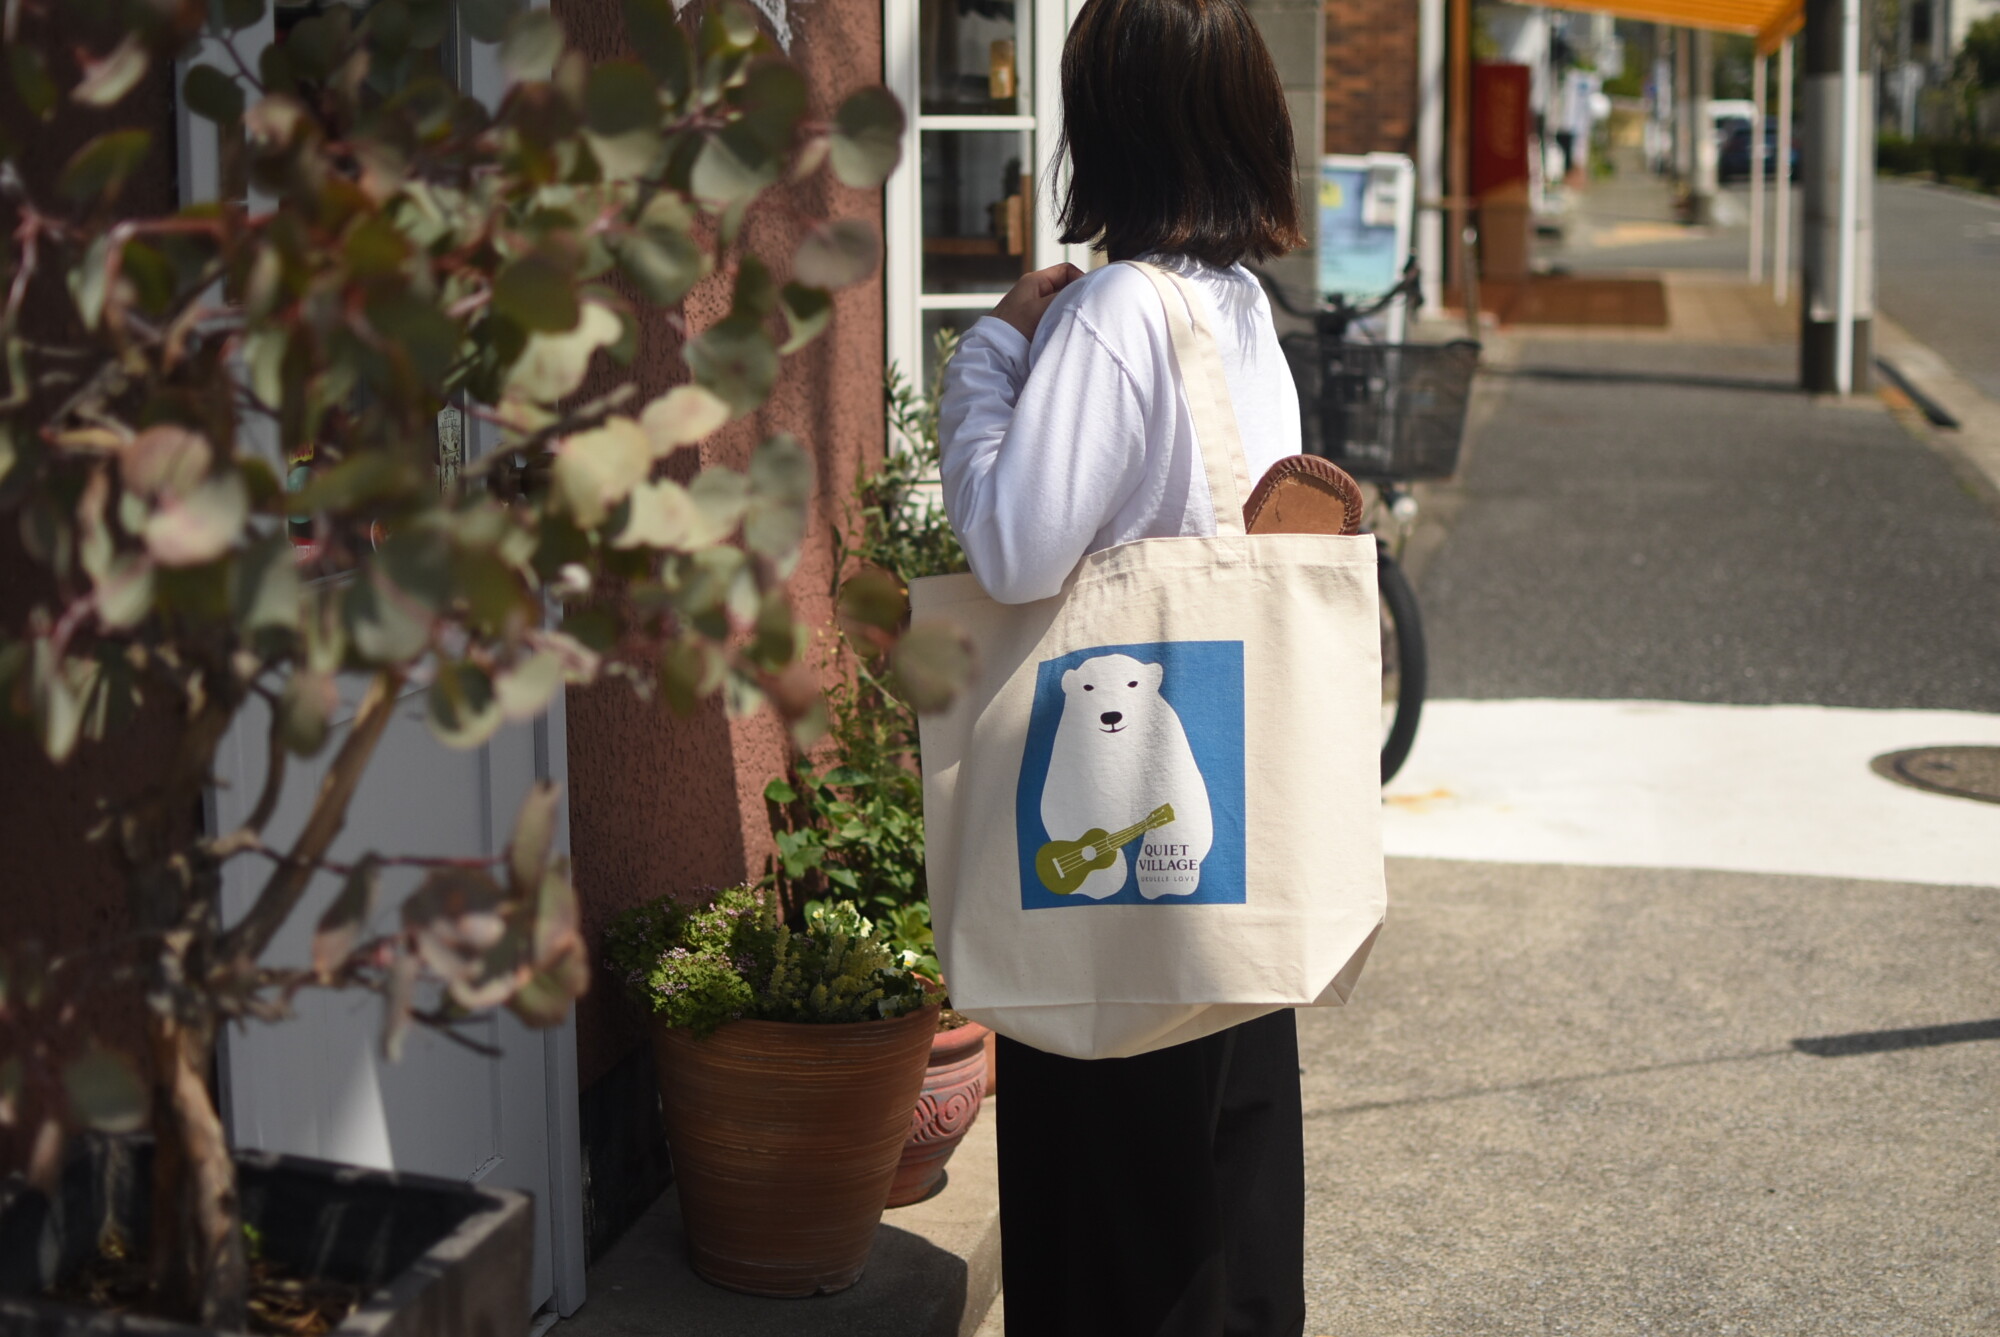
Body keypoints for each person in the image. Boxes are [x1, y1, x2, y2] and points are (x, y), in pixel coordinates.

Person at [934, 0, 1311, 1332]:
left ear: (1109, 126)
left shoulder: (1113, 313)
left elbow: (1013, 549)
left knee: (1112, 1214)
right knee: (1220, 1195)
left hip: (1107, 863)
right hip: (1223, 847)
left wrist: (988, 357)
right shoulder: (1240, 311)